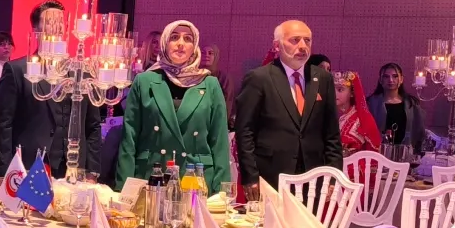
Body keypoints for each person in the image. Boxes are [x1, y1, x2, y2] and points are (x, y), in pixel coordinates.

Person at [116, 19, 232, 193]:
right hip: (152, 176)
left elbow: (219, 141)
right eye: (174, 37)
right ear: (165, 43)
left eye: (188, 39)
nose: (181, 44)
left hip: (196, 178)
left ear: (194, 46)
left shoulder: (210, 84)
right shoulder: (144, 81)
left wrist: (222, 192)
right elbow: (129, 138)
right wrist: (124, 189)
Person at [234, 19, 342, 194]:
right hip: (270, 175)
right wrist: (250, 176)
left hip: (313, 176)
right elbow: (245, 131)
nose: (303, 46)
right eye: (295, 40)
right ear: (276, 46)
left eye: (307, 40)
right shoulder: (259, 78)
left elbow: (332, 134)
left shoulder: (322, 78)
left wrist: (334, 176)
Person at [0, 0, 76, 178]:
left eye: (61, 22)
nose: (57, 27)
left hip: (71, 166)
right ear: (36, 30)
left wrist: (92, 170)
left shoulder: (77, 72)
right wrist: (5, 171)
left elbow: (91, 125)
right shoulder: (17, 70)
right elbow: (3, 124)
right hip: (29, 164)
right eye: (50, 22)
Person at [367, 62, 428, 153]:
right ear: (380, 80)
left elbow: (419, 132)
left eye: (395, 76)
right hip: (378, 153)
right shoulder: (371, 103)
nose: (391, 80)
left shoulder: (411, 104)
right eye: (386, 76)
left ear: (401, 79)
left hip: (405, 153)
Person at [335, 71, 381, 154]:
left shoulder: (358, 120)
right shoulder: (340, 115)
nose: (334, 93)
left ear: (352, 93)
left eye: (340, 89)